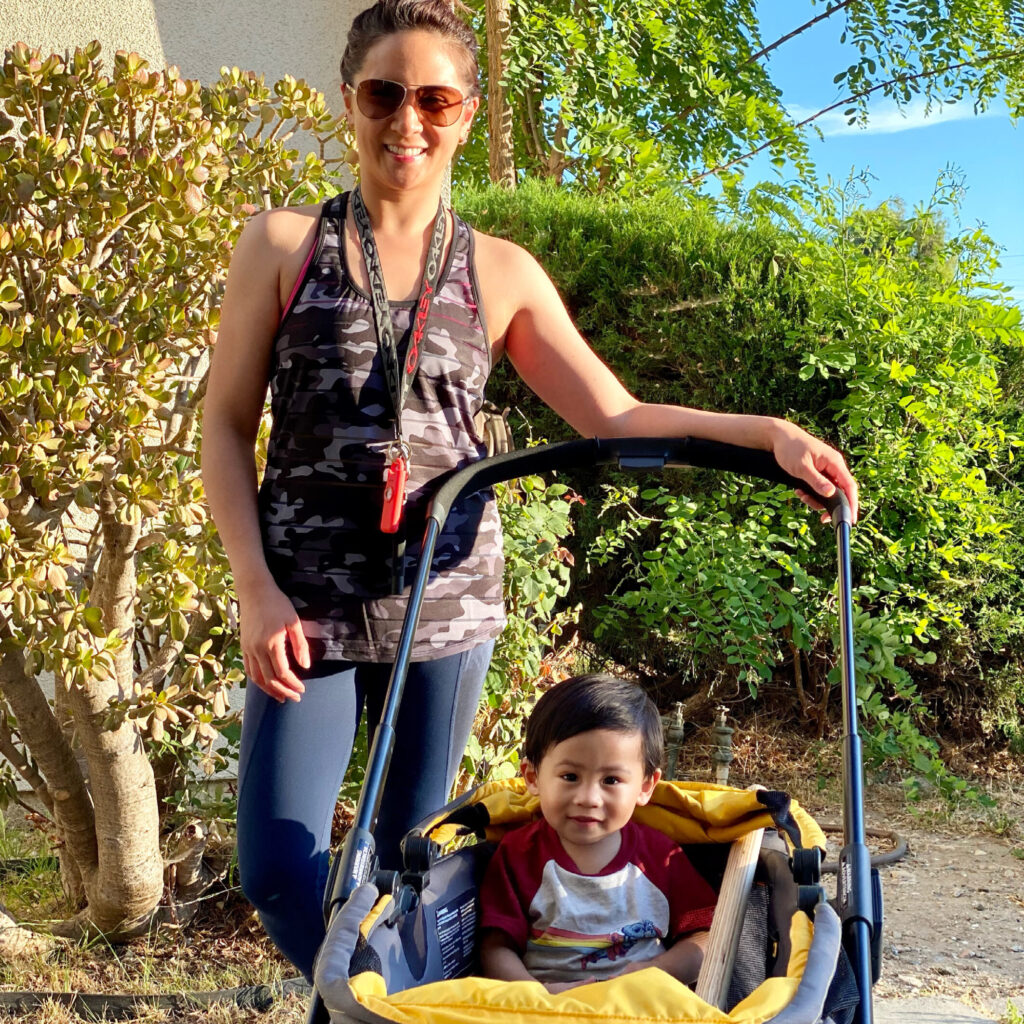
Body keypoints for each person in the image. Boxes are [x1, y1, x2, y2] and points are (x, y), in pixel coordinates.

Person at [200, 0, 858, 980]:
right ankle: (382, 1007)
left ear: (465, 111)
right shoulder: (284, 247)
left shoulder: (497, 271)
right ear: (349, 100)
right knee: (280, 869)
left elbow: (612, 413)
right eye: (384, 94)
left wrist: (762, 434)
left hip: (447, 602)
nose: (406, 121)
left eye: (434, 98)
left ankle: (420, 997)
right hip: (307, 601)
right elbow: (222, 424)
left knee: (409, 864)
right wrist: (255, 587)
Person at [479, 674, 716, 993]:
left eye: (611, 780)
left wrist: (655, 974)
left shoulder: (662, 857)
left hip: (642, 1009)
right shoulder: (518, 854)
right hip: (549, 1011)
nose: (588, 798)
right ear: (533, 777)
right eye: (570, 776)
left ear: (645, 787)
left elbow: (705, 936)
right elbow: (495, 948)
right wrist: (538, 999)